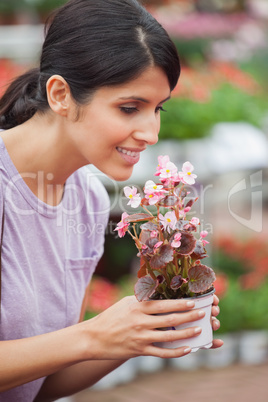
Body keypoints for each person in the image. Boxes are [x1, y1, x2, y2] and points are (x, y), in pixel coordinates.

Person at [0, 0, 223, 400]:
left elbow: (39, 385)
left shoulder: (87, 199)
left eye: (157, 109)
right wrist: (94, 335)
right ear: (60, 95)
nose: (150, 133)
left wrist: (139, 330)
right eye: (129, 108)